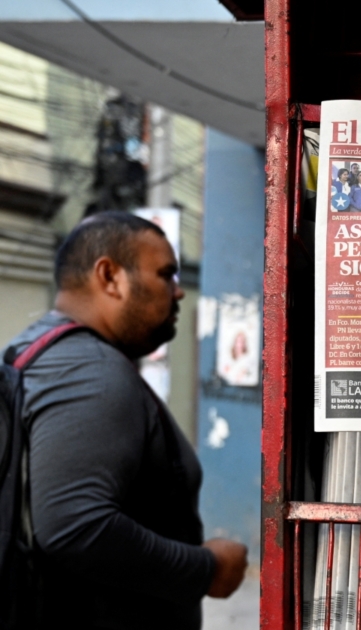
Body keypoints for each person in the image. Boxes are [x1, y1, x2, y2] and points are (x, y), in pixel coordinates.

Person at [4, 212, 248, 629]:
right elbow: (75, 526)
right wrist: (207, 569)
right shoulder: (91, 370)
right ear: (110, 277)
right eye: (165, 274)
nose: (178, 292)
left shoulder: (29, 351)